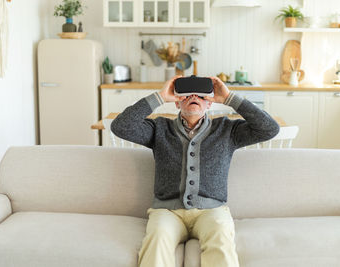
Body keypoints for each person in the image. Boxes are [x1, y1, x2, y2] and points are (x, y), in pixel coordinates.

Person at [111, 76, 280, 267]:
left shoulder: (227, 130)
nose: (194, 97)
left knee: (221, 235)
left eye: (201, 95)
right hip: (168, 211)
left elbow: (270, 129)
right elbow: (120, 126)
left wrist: (229, 98)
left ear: (209, 103)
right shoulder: (159, 128)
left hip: (211, 211)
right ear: (176, 102)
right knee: (157, 237)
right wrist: (160, 97)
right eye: (186, 94)